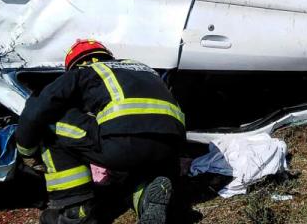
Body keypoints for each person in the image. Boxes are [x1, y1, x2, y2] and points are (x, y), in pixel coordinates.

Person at [15, 40, 185, 224]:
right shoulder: (143, 69)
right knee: (130, 169)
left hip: (124, 144)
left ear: (75, 64)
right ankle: (146, 196)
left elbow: (37, 110)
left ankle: (75, 210)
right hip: (172, 147)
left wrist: (26, 150)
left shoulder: (85, 71)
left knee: (50, 121)